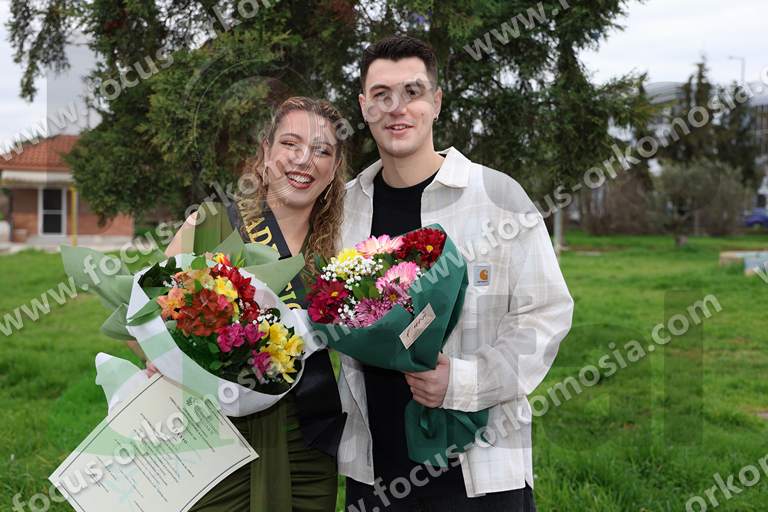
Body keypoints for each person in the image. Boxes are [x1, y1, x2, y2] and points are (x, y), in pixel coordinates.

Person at [338, 35, 574, 511]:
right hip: (376, 471)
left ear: (437, 102)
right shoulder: (345, 209)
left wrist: (464, 382)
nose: (396, 108)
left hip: (480, 471)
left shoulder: (497, 197)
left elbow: (546, 315)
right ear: (364, 107)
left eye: (412, 92)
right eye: (381, 95)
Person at [128, 96, 349, 512]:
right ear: (265, 151)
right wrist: (165, 361)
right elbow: (141, 322)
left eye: (322, 151)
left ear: (335, 167)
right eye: (290, 143)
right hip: (212, 438)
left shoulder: (340, 248)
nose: (304, 160)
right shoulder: (211, 224)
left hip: (306, 443)